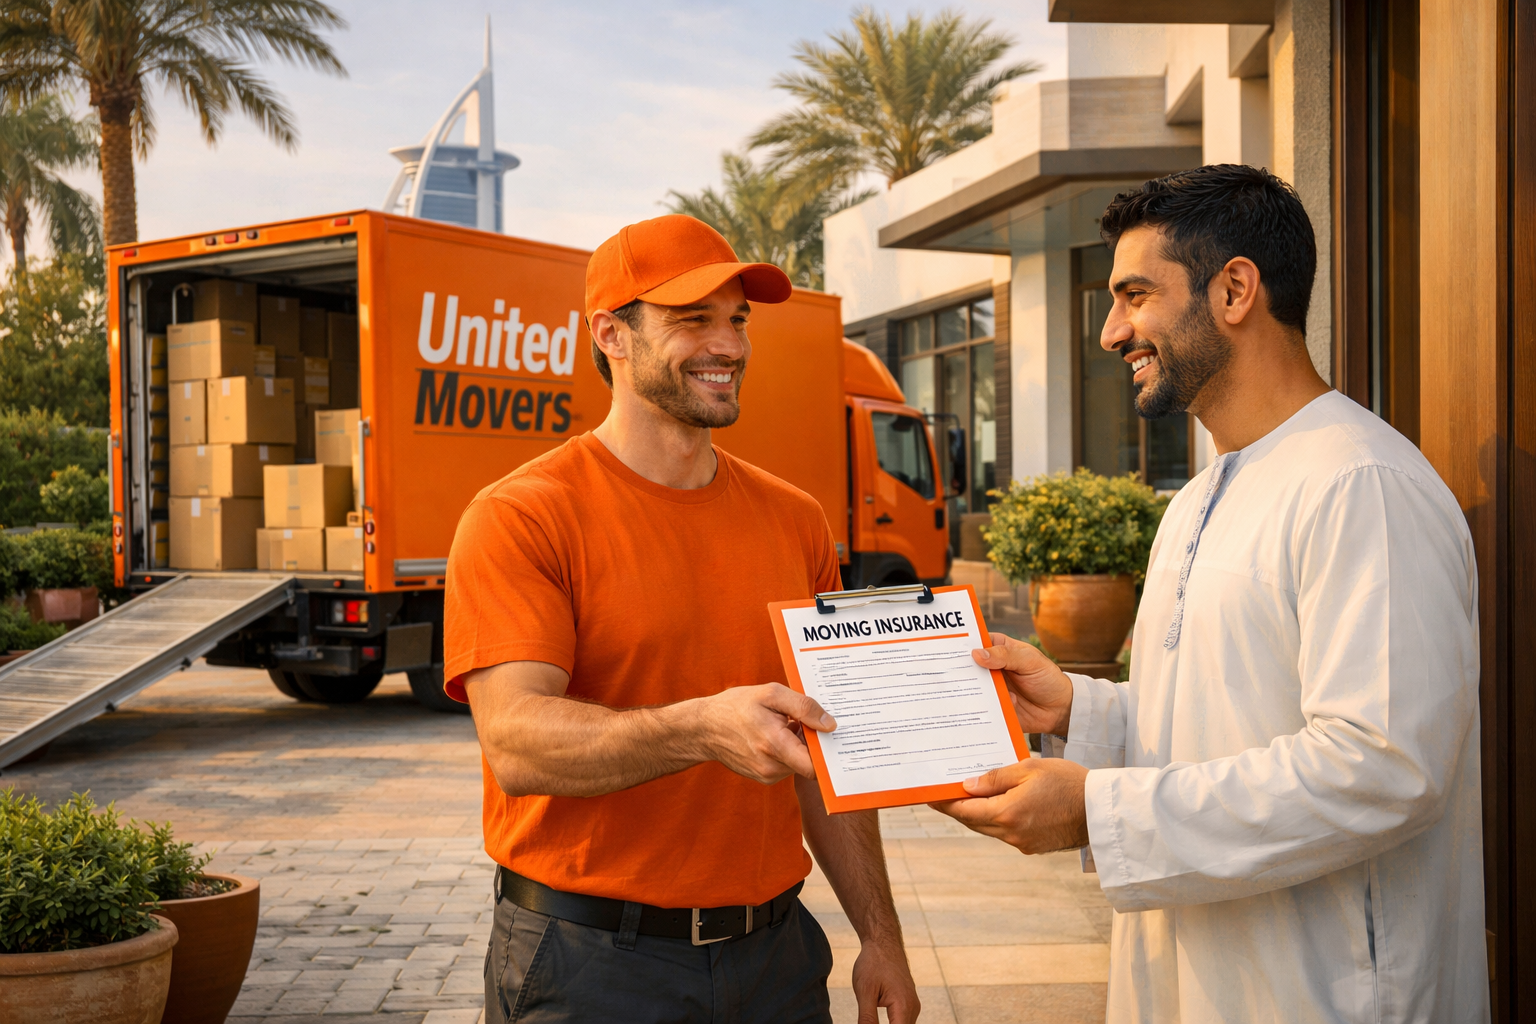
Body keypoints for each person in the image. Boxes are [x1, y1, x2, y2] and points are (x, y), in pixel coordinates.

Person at [932, 165, 1488, 1022]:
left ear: (1234, 290)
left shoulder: (1361, 484)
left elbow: (1384, 767)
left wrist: (1098, 812)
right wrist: (1077, 710)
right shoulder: (1199, 496)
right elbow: (1220, 714)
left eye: (1135, 295)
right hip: (1197, 977)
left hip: (1324, 993)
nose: (1112, 333)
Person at [444, 214, 919, 1024]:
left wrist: (881, 936)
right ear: (612, 335)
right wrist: (700, 729)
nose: (728, 345)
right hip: (590, 964)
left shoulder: (796, 520)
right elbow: (515, 742)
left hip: (777, 960)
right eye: (693, 319)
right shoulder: (522, 516)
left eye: (737, 319)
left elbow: (828, 757)